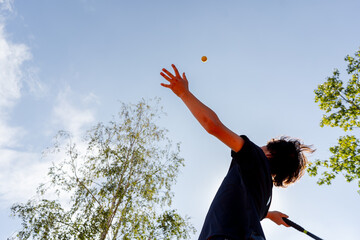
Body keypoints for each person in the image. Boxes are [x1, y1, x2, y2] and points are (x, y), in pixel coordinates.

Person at [160, 64, 315, 240]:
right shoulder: (264, 193)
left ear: (270, 154)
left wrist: (183, 93)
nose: (260, 147)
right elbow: (255, 212)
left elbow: (213, 126)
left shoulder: (255, 157)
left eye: (264, 146)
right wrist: (271, 215)